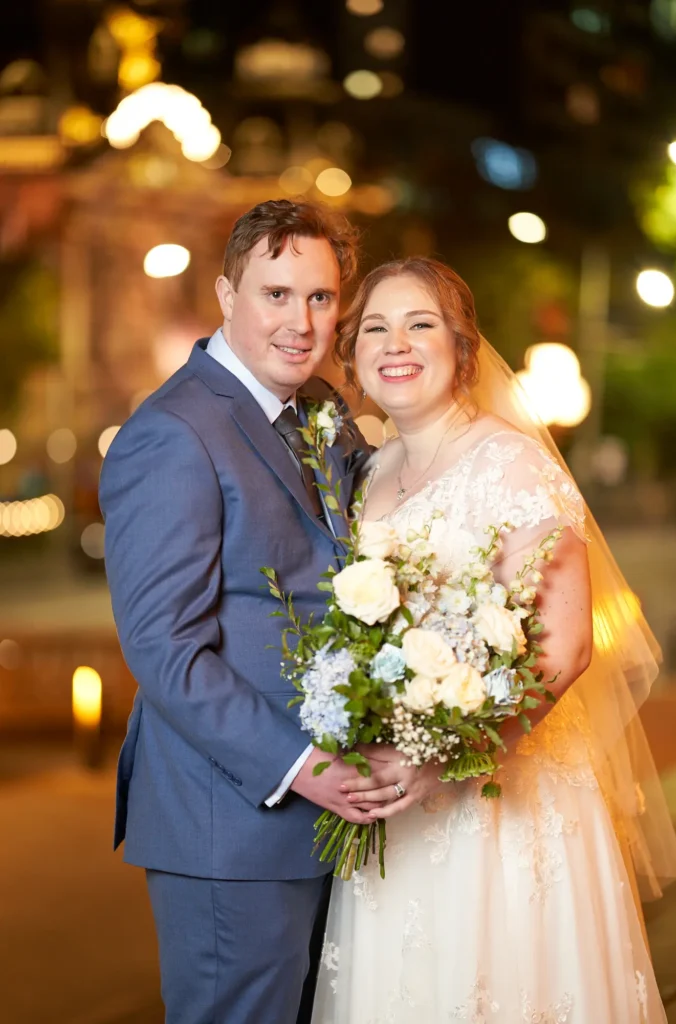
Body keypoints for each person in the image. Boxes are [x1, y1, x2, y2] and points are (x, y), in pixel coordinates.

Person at [312, 257, 676, 1023]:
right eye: (375, 327)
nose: (396, 343)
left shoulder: (513, 463)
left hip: (503, 800)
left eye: (421, 324)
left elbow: (565, 647)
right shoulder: (373, 473)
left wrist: (443, 758)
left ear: (462, 348)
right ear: (353, 354)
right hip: (400, 805)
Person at [99, 199, 410, 1024]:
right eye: (276, 295)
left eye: (319, 297)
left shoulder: (323, 410)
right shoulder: (173, 434)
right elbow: (166, 650)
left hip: (329, 817)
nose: (300, 322)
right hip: (231, 823)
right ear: (227, 294)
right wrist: (304, 767)